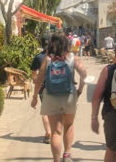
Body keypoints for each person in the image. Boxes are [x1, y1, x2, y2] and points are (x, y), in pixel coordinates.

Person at [31, 33, 87, 162]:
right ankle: (67, 155)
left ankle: (56, 159)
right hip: (69, 96)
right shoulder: (73, 57)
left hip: (51, 96)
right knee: (69, 125)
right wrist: (79, 90)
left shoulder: (47, 59)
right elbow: (84, 74)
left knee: (56, 131)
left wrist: (35, 97)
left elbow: (39, 80)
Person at [30, 35, 51, 144]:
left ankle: (48, 133)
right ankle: (55, 132)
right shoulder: (57, 56)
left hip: (44, 88)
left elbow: (34, 74)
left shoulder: (38, 57)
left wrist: (35, 80)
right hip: (58, 88)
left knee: (45, 112)